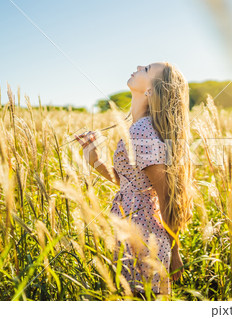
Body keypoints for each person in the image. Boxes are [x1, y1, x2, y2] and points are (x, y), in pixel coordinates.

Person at [75, 61, 194, 299]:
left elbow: (166, 196)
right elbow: (131, 185)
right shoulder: (137, 128)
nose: (139, 65)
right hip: (131, 231)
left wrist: (174, 252)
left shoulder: (144, 131)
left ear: (151, 91)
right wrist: (95, 160)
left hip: (144, 236)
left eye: (147, 69)